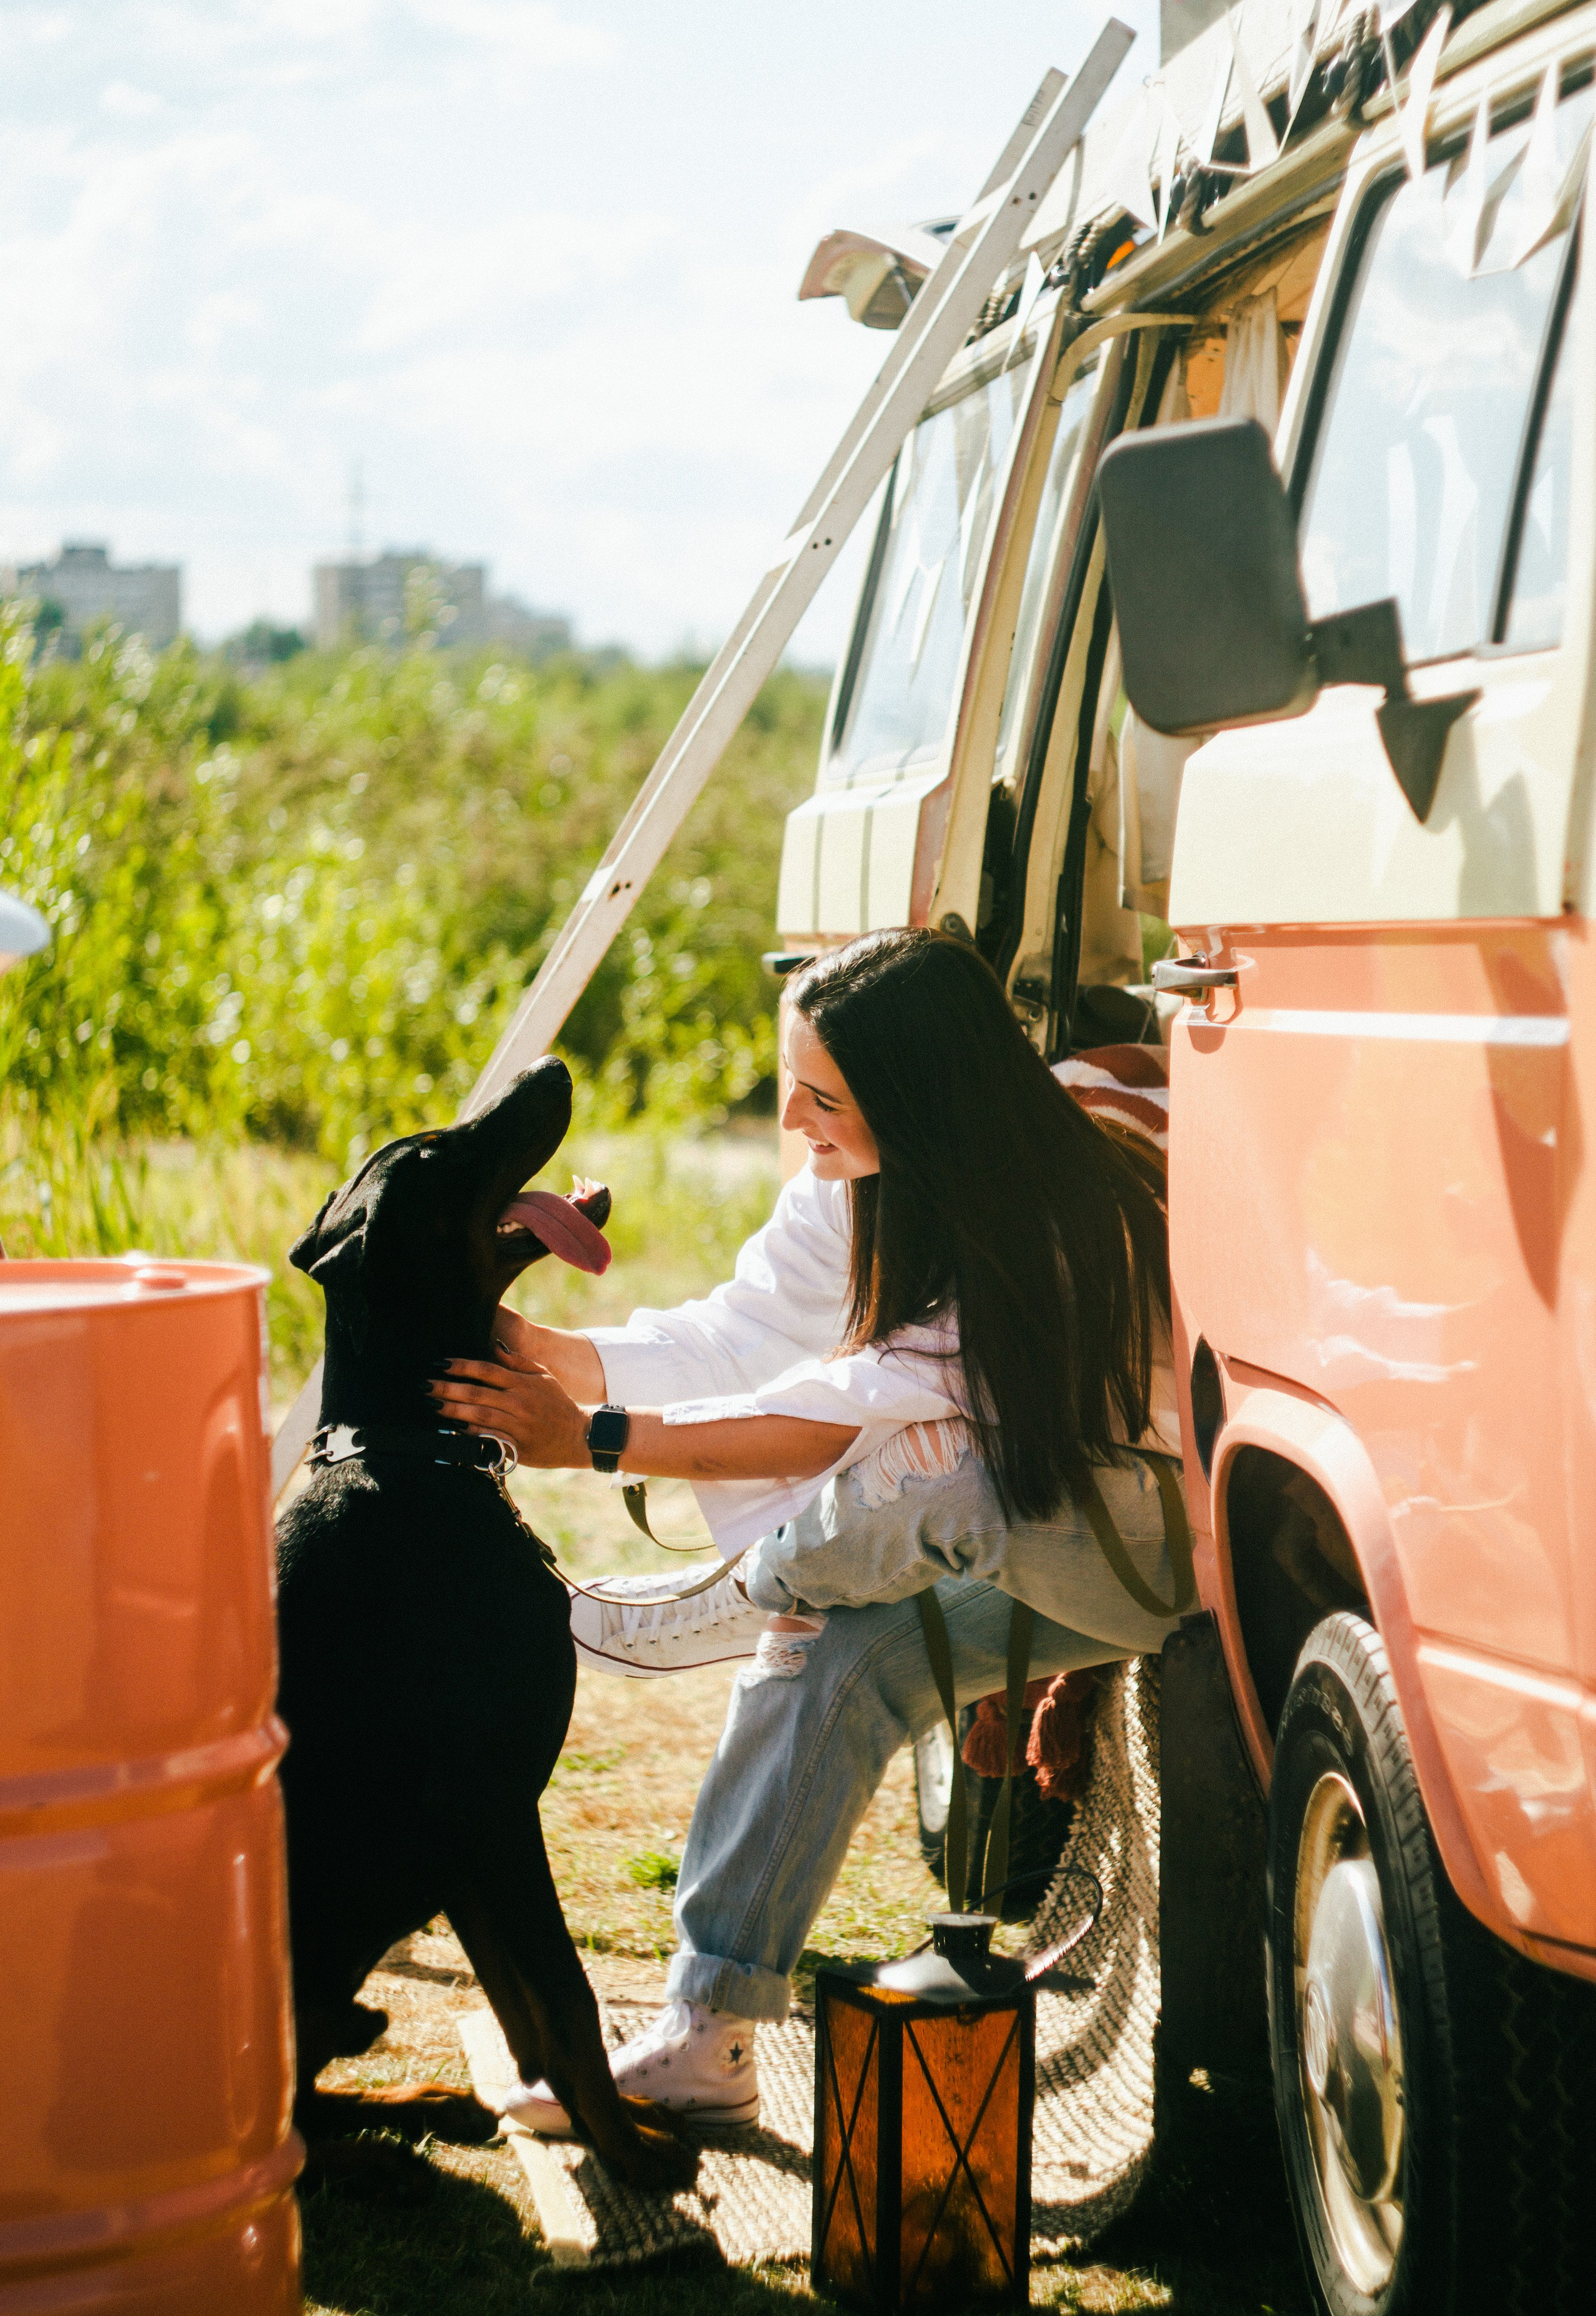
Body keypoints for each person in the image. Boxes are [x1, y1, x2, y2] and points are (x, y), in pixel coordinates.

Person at [428, 929, 1186, 2130]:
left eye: (823, 1095)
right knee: (822, 1649)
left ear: (922, 1103)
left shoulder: (1042, 1217)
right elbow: (738, 1338)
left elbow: (832, 1425)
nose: (792, 1116)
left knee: (925, 1474)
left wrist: (595, 1440)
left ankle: (731, 1595)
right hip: (1019, 1522)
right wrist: (533, 1355)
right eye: (794, 1079)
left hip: (1155, 1542)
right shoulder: (869, 1177)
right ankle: (705, 2030)